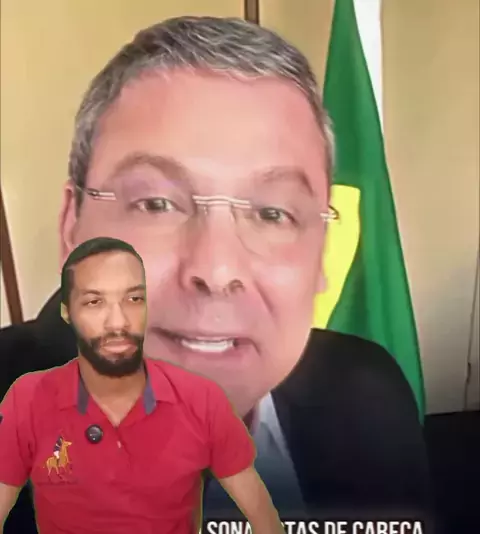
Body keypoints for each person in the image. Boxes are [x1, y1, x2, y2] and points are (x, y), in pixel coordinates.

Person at [0, 15, 432, 531]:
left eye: (273, 213)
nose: (217, 269)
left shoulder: (370, 392)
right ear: (72, 226)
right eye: (156, 204)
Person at [0, 237, 285, 534]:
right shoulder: (28, 399)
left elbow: (263, 518)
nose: (118, 322)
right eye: (94, 302)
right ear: (67, 313)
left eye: (133, 299)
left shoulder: (201, 399)